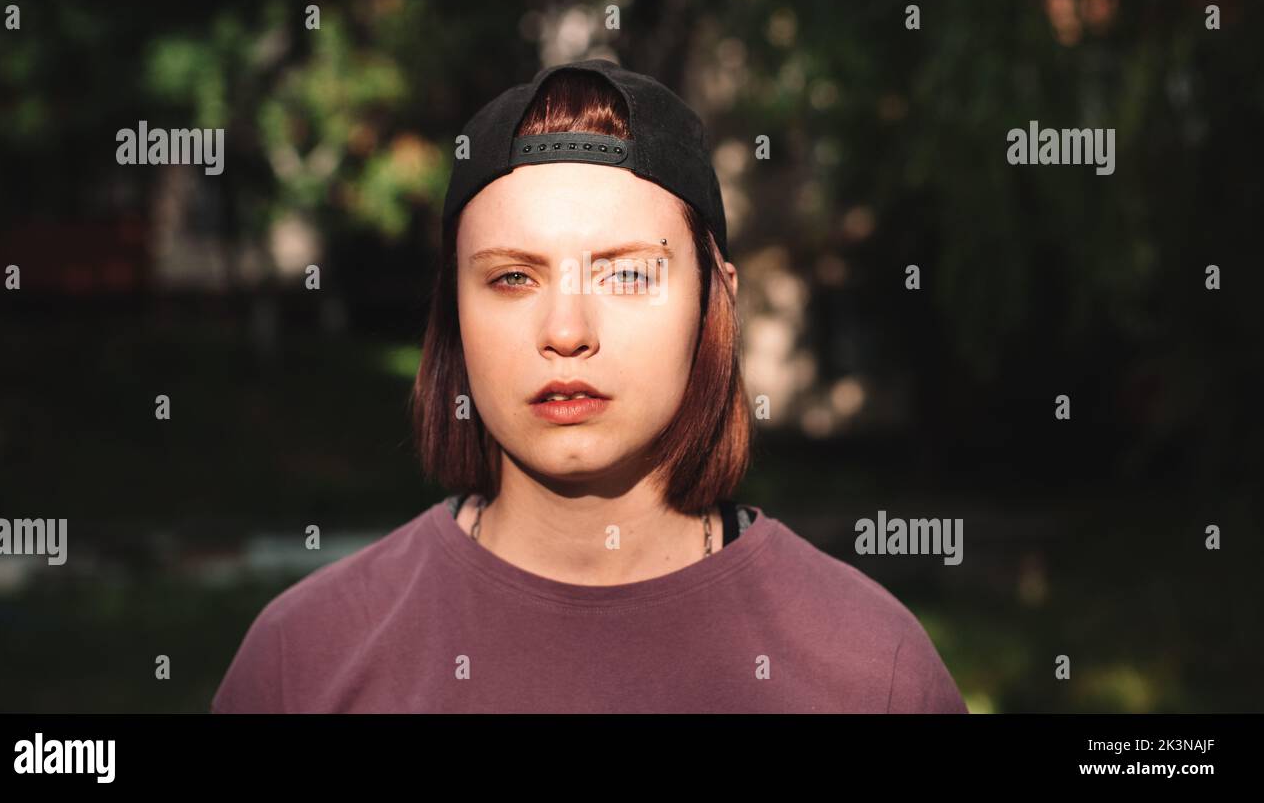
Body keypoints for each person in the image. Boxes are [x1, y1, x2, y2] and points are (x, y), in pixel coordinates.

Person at [211, 58, 968, 713]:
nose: (566, 329)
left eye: (628, 273)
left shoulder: (870, 670)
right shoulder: (302, 662)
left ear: (718, 301)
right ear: (454, 316)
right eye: (512, 276)